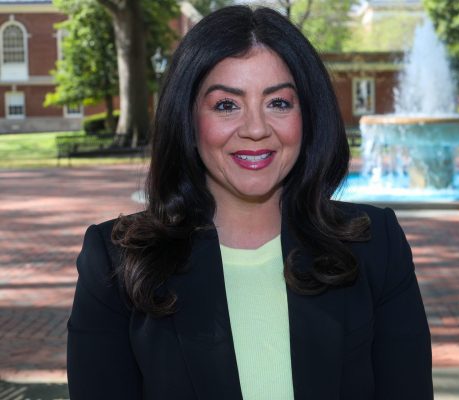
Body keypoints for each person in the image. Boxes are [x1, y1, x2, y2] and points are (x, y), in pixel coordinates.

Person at [66, 6, 432, 400]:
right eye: (227, 104)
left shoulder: (377, 246)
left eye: (278, 103)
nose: (256, 129)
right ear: (187, 120)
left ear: (308, 116)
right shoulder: (116, 262)